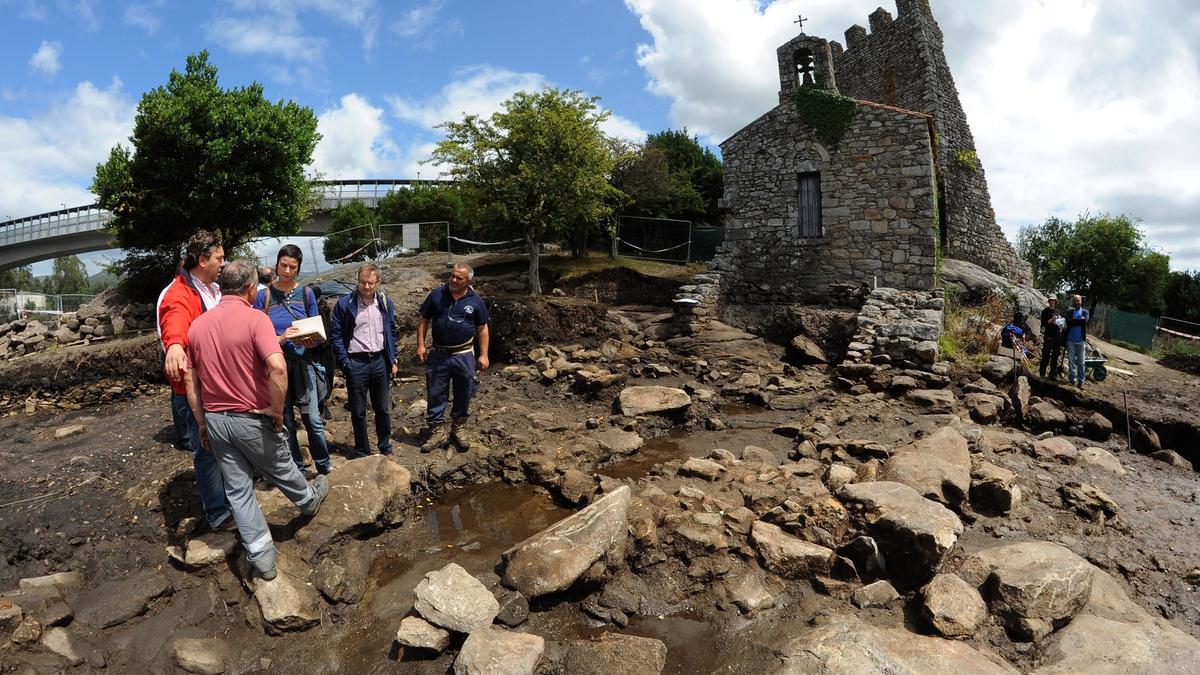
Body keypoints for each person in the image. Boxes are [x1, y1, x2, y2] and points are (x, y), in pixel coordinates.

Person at [185, 260, 329, 580]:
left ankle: (263, 560)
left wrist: (202, 422)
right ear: (252, 289)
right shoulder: (256, 319)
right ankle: (308, 501)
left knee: (238, 491)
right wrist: (277, 412)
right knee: (280, 467)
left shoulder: (197, 325)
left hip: (217, 419)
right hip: (251, 416)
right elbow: (277, 368)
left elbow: (191, 381)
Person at [156, 230, 232, 532]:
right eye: (219, 258)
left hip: (218, 384)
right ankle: (216, 511)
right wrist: (174, 345)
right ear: (202, 260)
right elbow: (174, 320)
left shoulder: (213, 289)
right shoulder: (178, 294)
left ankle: (228, 498)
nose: (223, 263)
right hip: (195, 390)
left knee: (221, 446)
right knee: (207, 452)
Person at [253, 245, 331, 476]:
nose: (287, 271)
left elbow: (318, 331)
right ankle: (297, 468)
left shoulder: (306, 294)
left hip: (303, 364)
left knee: (313, 420)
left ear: (298, 268)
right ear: (277, 264)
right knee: (285, 421)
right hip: (276, 367)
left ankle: (324, 465)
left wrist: (311, 341)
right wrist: (280, 338)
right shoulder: (262, 297)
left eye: (292, 267)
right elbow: (256, 337)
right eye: (283, 265)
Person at [416, 262, 491, 453]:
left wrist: (483, 354)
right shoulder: (436, 295)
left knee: (464, 391)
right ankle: (437, 431)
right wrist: (421, 345)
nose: (454, 280)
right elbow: (424, 320)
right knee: (435, 391)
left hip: (464, 355)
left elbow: (482, 328)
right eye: (453, 275)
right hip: (438, 354)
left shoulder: (476, 301)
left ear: (468, 281)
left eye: (460, 278)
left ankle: (458, 428)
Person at [330, 263, 398, 456]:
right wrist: (345, 362)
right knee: (358, 411)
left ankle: (385, 447)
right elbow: (335, 335)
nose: (366, 287)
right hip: (356, 362)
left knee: (382, 409)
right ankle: (362, 450)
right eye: (362, 282)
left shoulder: (384, 302)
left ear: (378, 282)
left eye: (370, 283)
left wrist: (393, 359)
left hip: (379, 361)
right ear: (357, 281)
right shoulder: (345, 304)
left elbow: (391, 332)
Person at [1065, 294, 1091, 387]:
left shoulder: (1085, 312)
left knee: (1081, 361)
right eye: (1075, 300)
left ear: (1081, 301)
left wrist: (1074, 320)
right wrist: (1079, 320)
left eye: (1078, 300)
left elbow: (1085, 321)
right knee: (1071, 361)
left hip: (1081, 341)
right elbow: (1068, 322)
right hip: (1070, 340)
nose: (1076, 302)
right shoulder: (1069, 311)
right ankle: (1072, 380)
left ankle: (1081, 381)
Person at [1039, 297, 1064, 379]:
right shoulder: (1045, 311)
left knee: (1055, 355)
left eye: (1053, 301)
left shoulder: (1057, 311)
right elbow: (1043, 324)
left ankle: (1052, 374)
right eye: (1050, 300)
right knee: (1046, 354)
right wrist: (1052, 320)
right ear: (1049, 301)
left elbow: (1060, 322)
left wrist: (1060, 321)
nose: (1052, 302)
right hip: (1049, 335)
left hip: (1057, 335)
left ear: (1055, 302)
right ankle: (1042, 373)